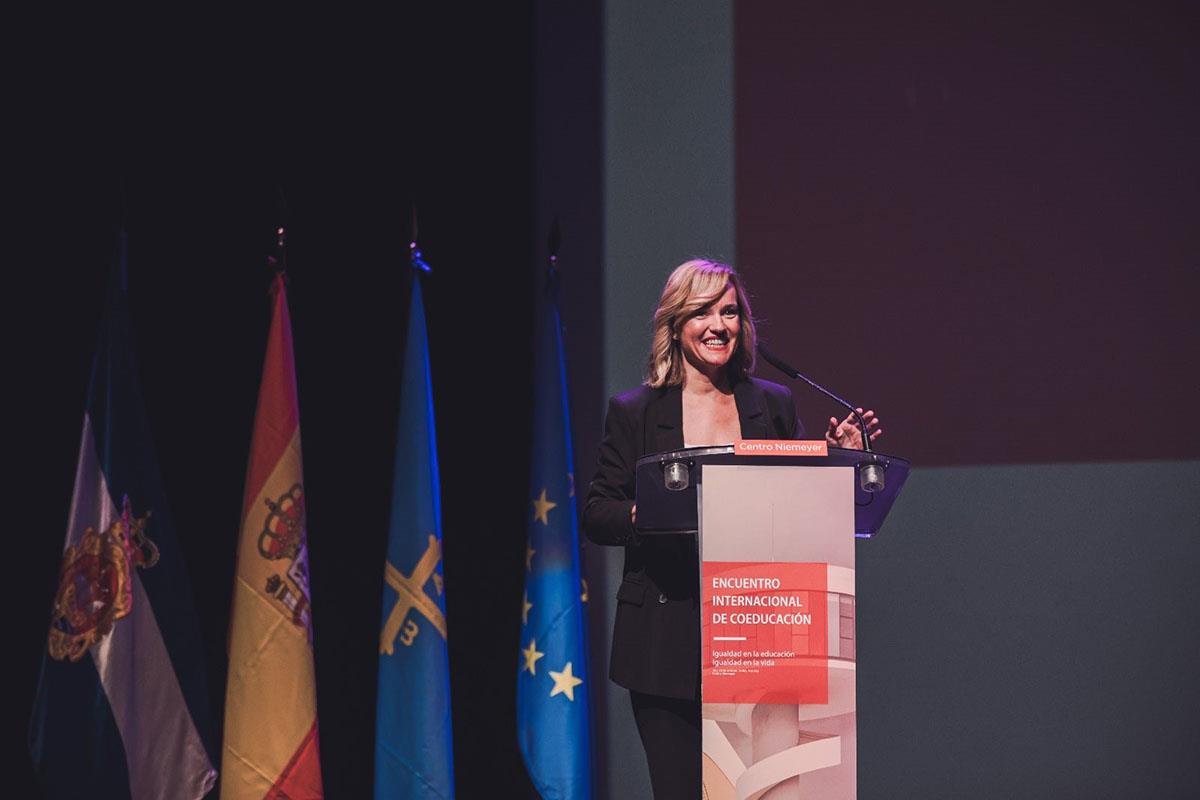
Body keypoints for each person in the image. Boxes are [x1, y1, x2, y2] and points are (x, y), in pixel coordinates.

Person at [582, 259, 881, 799]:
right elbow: (598, 512)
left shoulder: (772, 404)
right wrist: (654, 509)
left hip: (760, 639)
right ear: (676, 323)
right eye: (702, 312)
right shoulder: (635, 412)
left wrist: (840, 463)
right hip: (664, 646)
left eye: (730, 311)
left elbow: (799, 507)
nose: (718, 325)